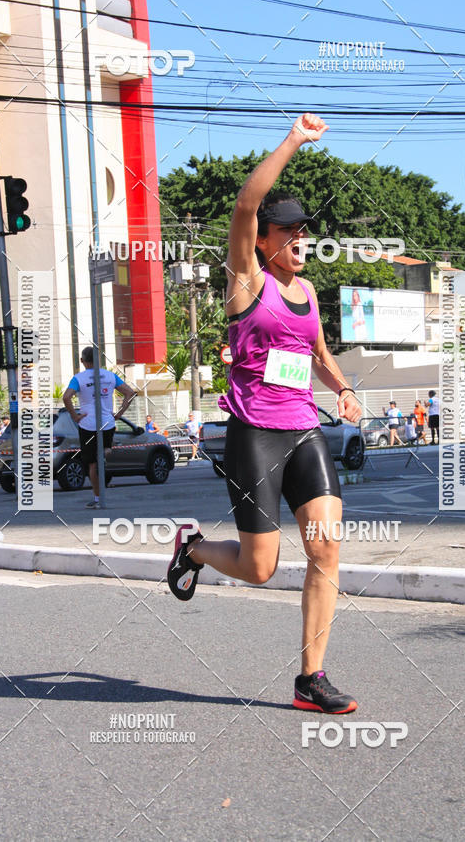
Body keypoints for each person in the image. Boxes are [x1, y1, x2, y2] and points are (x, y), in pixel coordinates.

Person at [167, 113, 362, 715]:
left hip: (303, 430)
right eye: (288, 232)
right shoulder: (247, 281)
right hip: (254, 434)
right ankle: (194, 550)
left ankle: (312, 677)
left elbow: (321, 356)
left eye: (304, 232)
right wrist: (295, 141)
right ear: (265, 240)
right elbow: (245, 205)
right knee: (259, 567)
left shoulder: (306, 297)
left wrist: (343, 390)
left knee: (326, 550)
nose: (299, 240)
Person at [62, 347, 135, 508]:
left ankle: (97, 498)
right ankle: (107, 450)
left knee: (92, 464)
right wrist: (120, 412)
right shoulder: (110, 376)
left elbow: (66, 397)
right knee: (104, 448)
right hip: (107, 422)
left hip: (88, 424)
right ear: (98, 360)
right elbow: (130, 393)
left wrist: (75, 416)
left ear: (82, 361)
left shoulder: (79, 378)